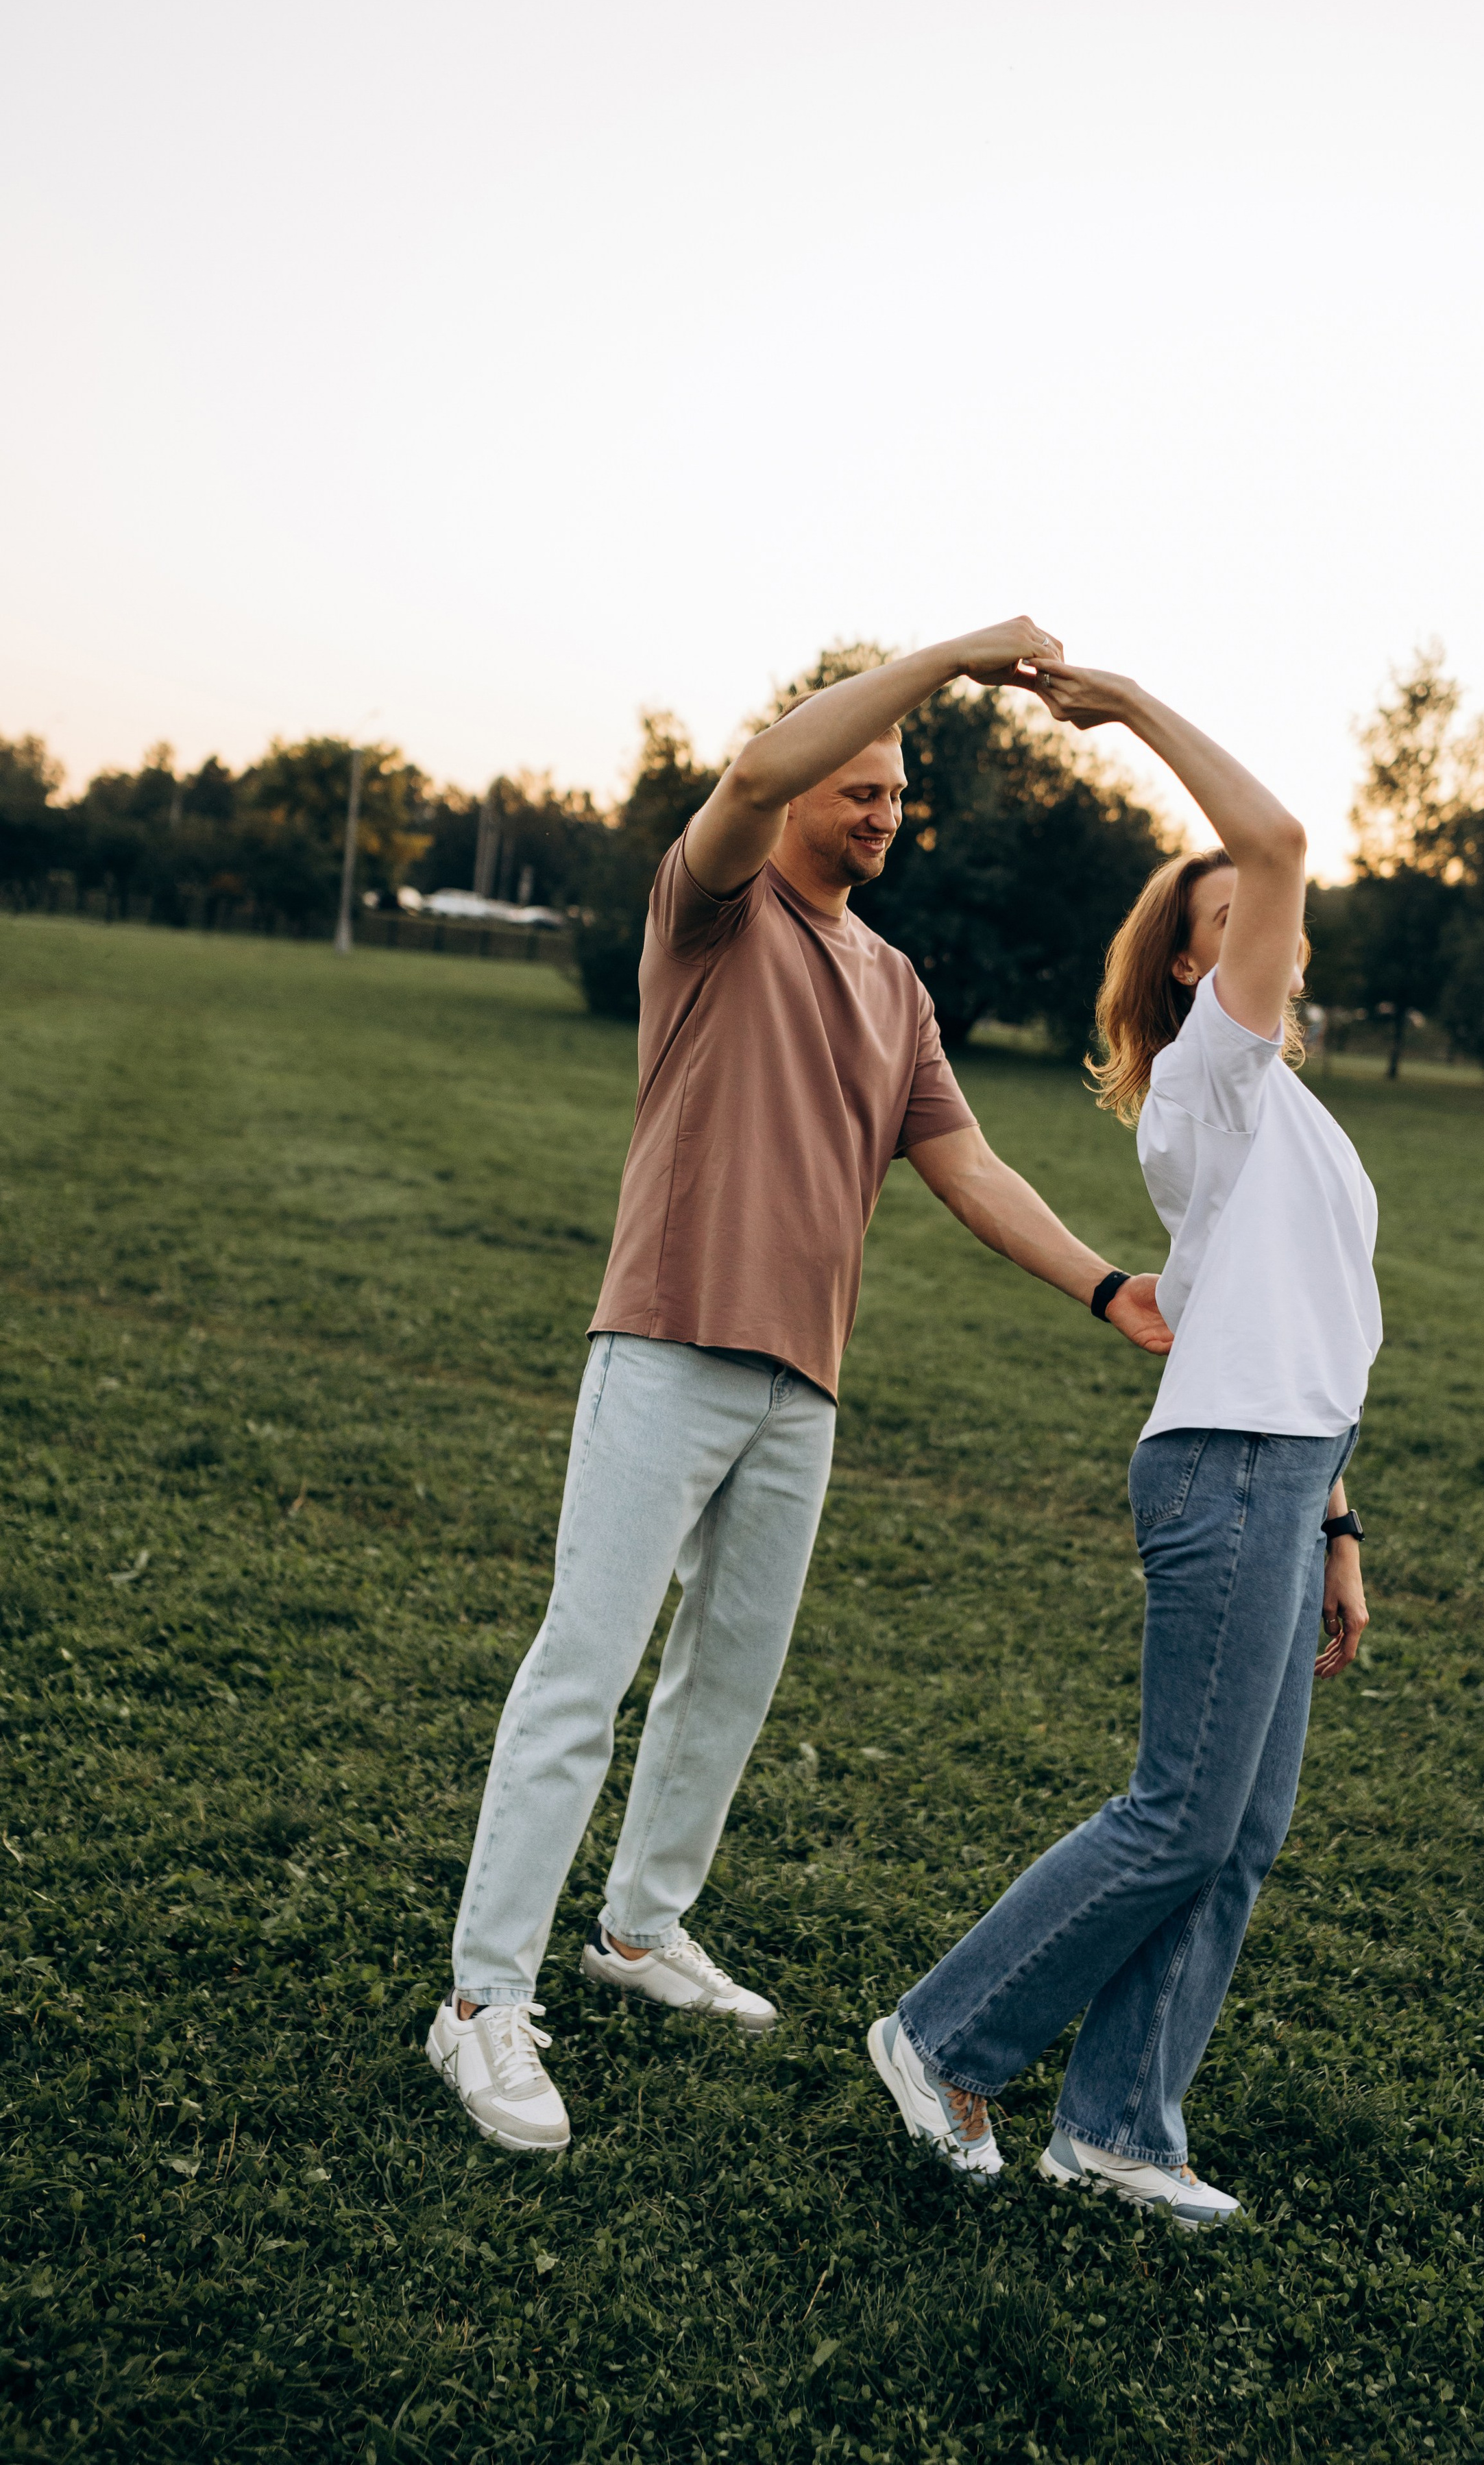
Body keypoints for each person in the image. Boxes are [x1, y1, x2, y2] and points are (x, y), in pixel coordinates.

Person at [426, 620, 1174, 2153]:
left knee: (731, 1678)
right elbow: (759, 765)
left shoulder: (892, 982)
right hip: (664, 1340)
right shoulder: (709, 906)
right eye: (859, 787)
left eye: (899, 793)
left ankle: (638, 1932)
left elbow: (961, 1162)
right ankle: (479, 2004)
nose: (882, 811)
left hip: (800, 1382)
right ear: (797, 795)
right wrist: (953, 659)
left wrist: (1106, 1286)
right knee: (587, 1668)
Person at [867, 660, 1380, 2224]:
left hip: (1280, 1470)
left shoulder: (1278, 1115)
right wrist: (1137, 710)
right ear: (1183, 968)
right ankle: (941, 2037)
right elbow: (1278, 837)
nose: (1267, 932)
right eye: (1227, 921)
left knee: (1235, 1838)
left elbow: (1283, 1328)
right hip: (1223, 1472)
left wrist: (1337, 1527)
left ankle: (1117, 2129)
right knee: (1175, 1816)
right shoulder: (1210, 1081)